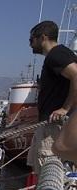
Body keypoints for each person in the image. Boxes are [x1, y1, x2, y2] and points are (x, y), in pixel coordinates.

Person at [26, 21, 77, 170]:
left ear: (43, 37)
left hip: (53, 127)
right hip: (50, 124)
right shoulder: (60, 54)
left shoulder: (56, 55)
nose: (30, 44)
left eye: (31, 40)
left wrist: (65, 108)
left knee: (48, 166)